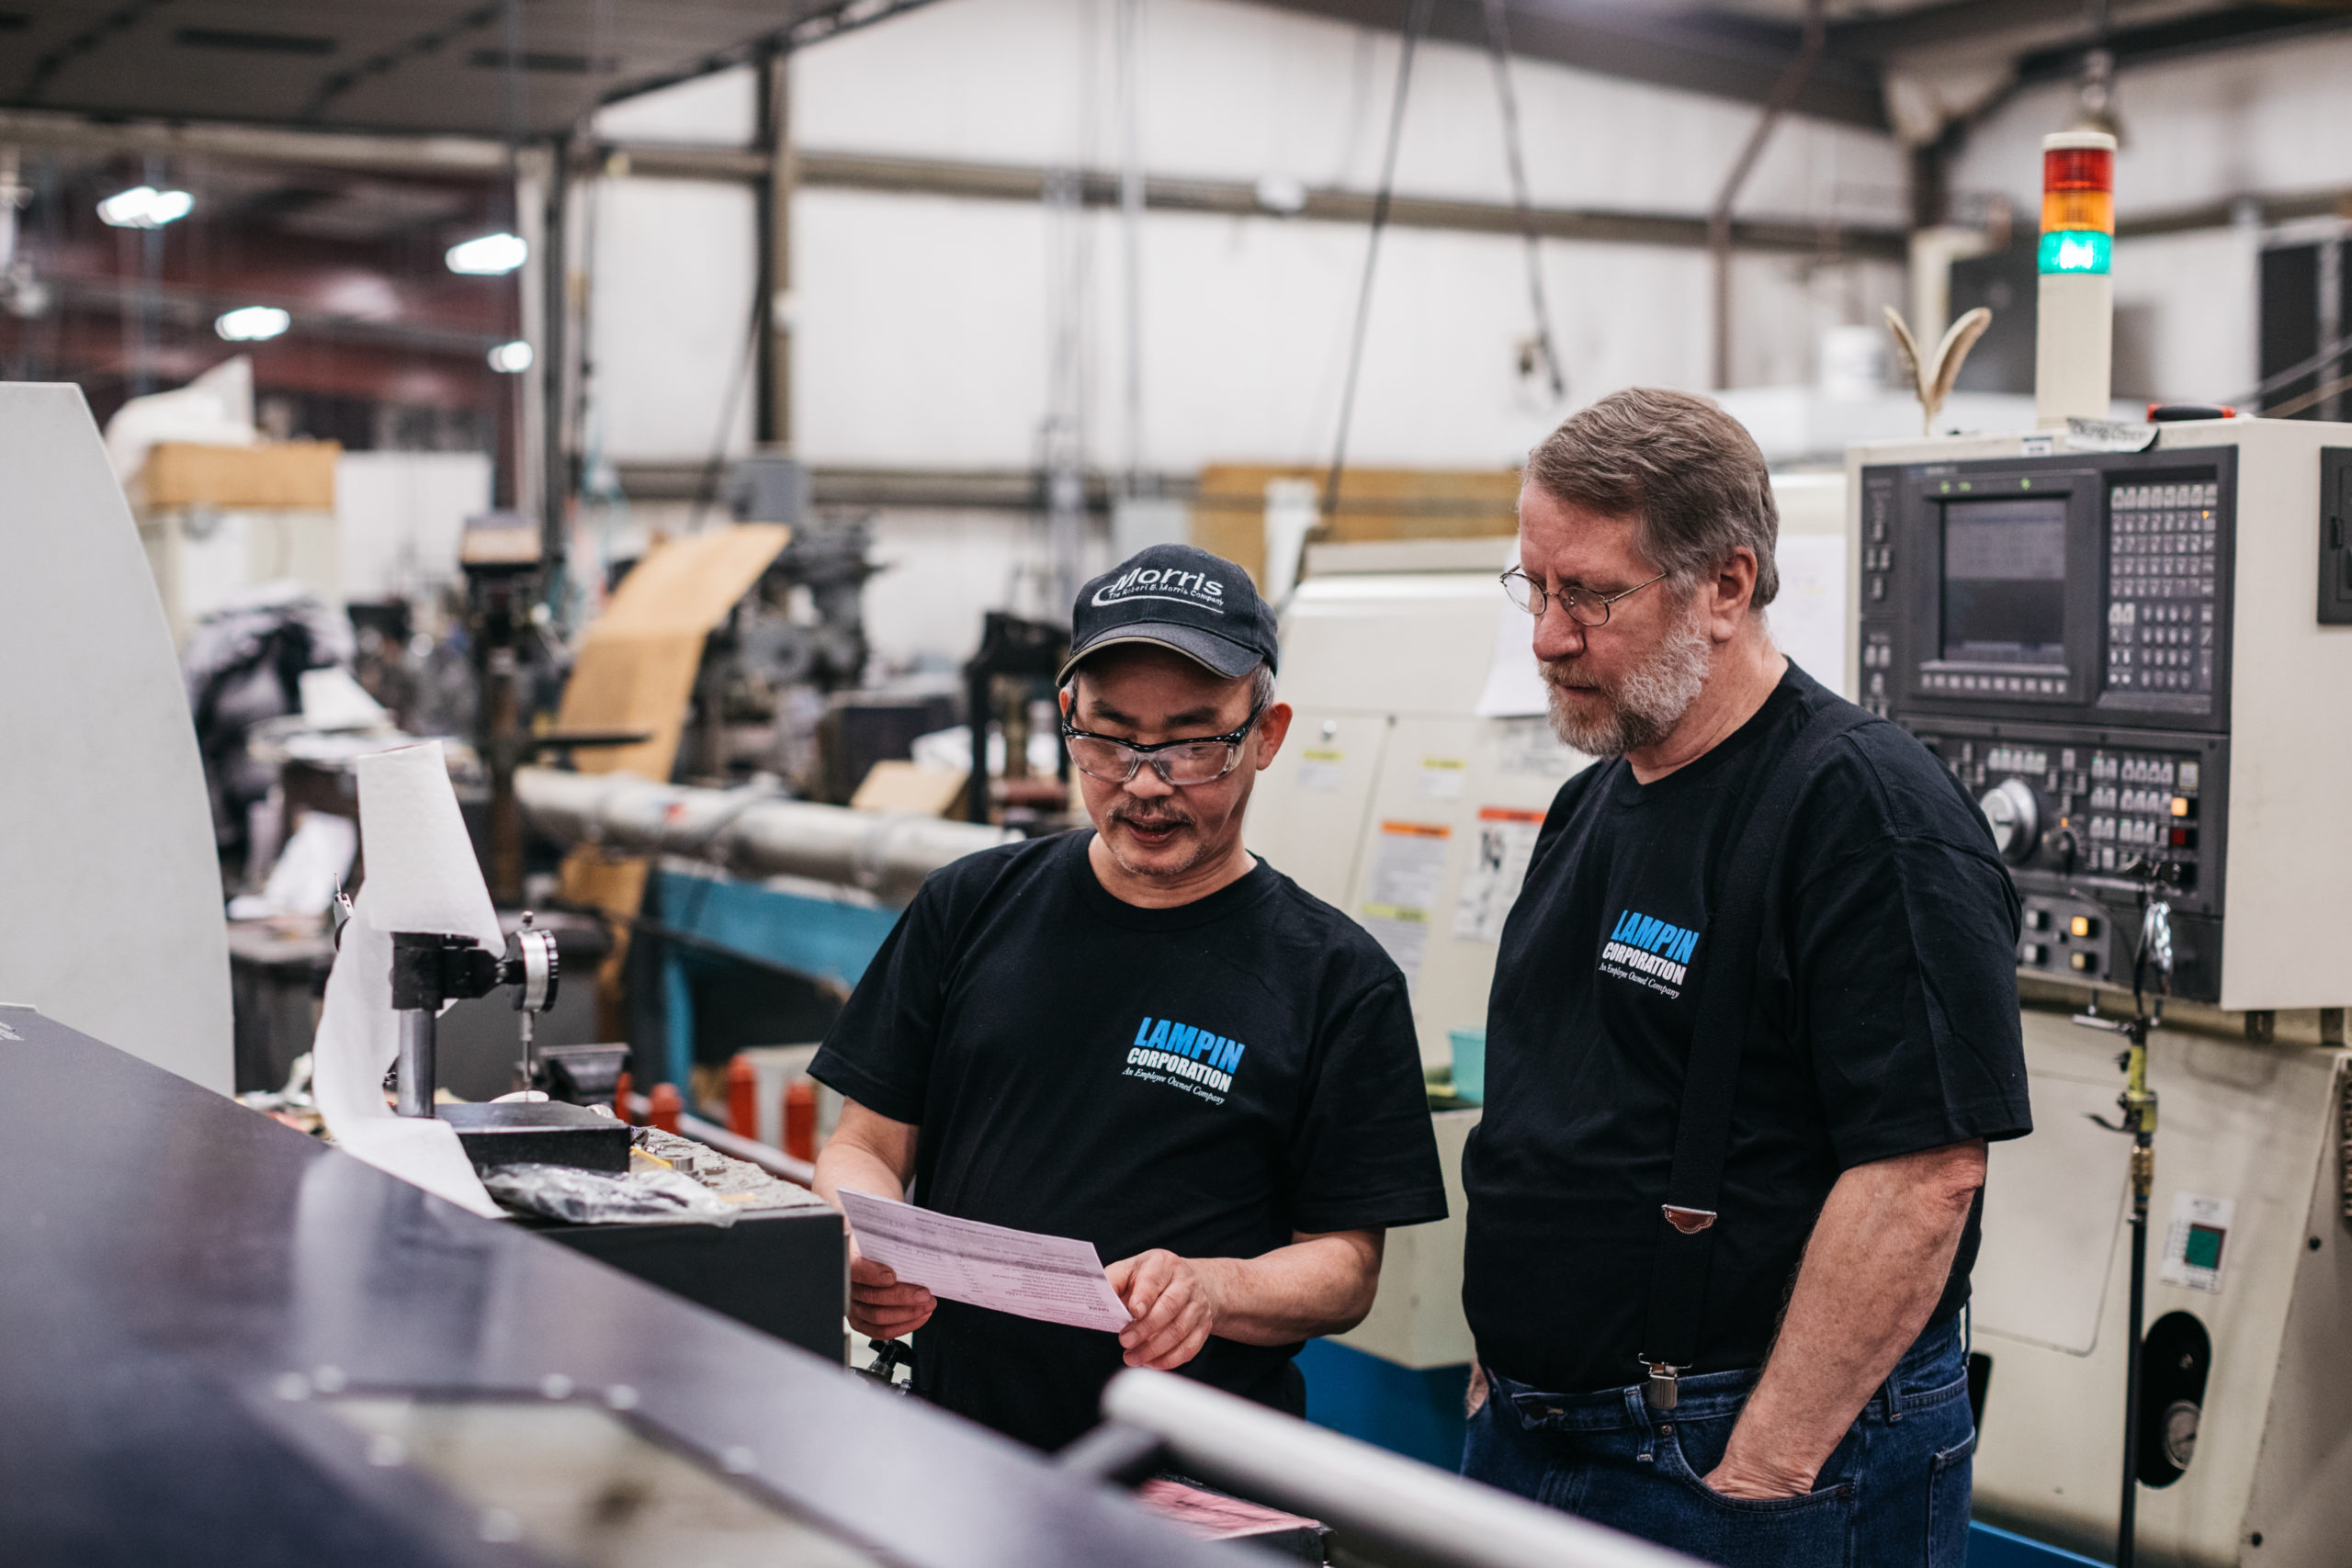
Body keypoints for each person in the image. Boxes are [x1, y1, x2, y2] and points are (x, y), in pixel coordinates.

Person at [1458, 389, 2032, 1565]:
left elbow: (1925, 1174)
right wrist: (1498, 1374)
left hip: (1731, 1469)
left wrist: (1764, 1464)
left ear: (1726, 586)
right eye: (1535, 586)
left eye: (1592, 596)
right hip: (1536, 1442)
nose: (1547, 637)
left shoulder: (1865, 817)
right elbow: (1553, 1110)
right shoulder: (1590, 807)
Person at [810, 544, 1448, 1452]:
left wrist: (1212, 1288)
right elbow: (861, 1147)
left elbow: (1346, 1268)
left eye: (1193, 742)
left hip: (1197, 1481)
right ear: (1067, 718)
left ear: (1265, 734)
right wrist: (856, 1243)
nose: (1147, 782)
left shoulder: (1336, 979)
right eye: (1110, 738)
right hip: (960, 1449)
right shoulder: (968, 906)